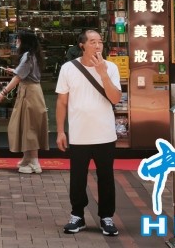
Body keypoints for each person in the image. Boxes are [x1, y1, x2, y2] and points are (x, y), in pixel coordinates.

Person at [55, 29, 121, 237]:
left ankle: (106, 217)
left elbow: (115, 98)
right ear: (82, 45)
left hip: (105, 133)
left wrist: (103, 73)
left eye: (100, 42)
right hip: (79, 134)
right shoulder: (68, 68)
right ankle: (77, 215)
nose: (97, 45)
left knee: (106, 177)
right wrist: (60, 131)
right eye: (92, 42)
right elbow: (62, 102)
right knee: (77, 178)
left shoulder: (111, 68)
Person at [0, 29, 48, 174]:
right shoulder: (33, 54)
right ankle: (27, 158)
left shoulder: (27, 56)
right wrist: (15, 71)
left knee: (29, 126)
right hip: (32, 92)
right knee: (28, 125)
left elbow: (18, 78)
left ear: (24, 41)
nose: (16, 41)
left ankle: (34, 162)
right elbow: (24, 73)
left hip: (29, 93)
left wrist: (3, 92)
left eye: (18, 39)